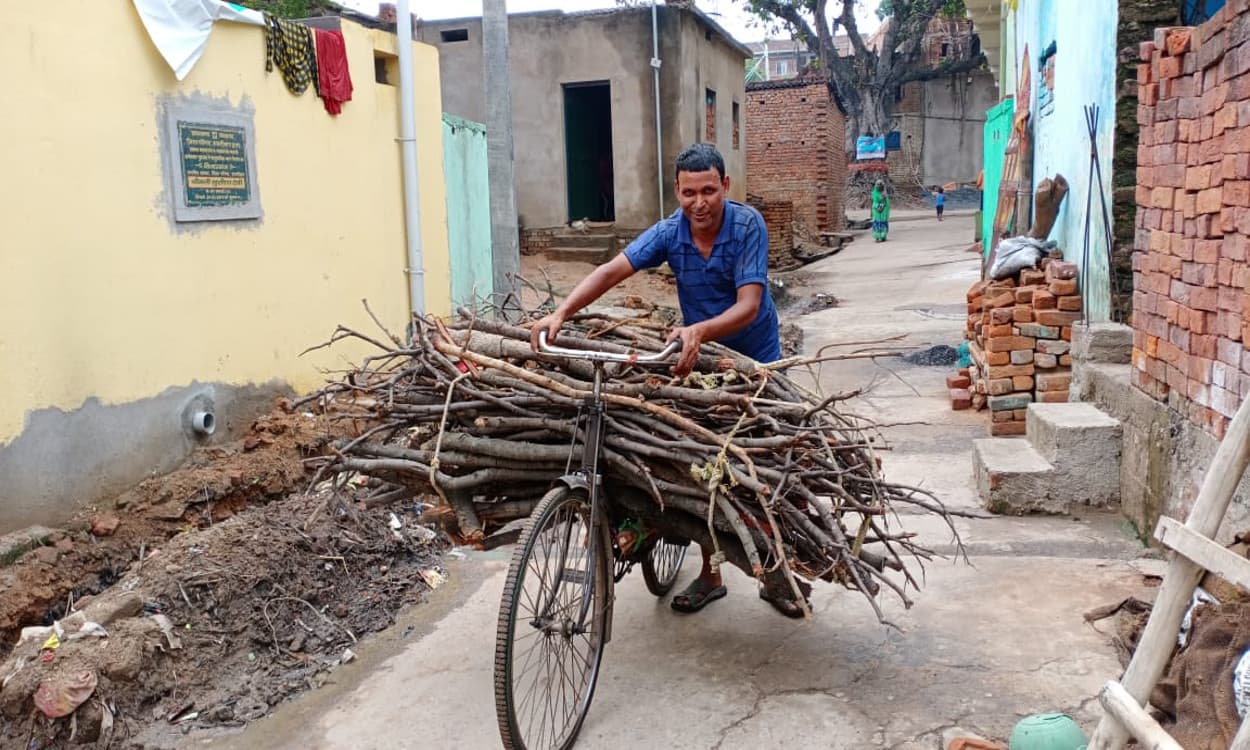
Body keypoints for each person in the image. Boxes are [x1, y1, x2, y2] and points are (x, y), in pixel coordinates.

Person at [530, 143, 804, 618]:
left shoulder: (747, 226)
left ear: (726, 187)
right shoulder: (669, 233)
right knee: (701, 466)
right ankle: (711, 572)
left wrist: (698, 329)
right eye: (688, 193)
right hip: (699, 357)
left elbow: (750, 305)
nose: (699, 203)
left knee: (760, 468)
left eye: (709, 191)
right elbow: (612, 270)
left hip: (754, 359)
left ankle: (776, 573)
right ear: (677, 192)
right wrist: (561, 312)